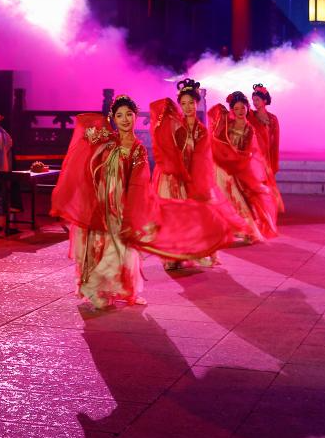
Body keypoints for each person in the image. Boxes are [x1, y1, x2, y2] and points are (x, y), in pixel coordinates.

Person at [53, 94, 224, 308]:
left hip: (123, 205)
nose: (125, 119)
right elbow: (86, 143)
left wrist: (131, 210)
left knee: (119, 247)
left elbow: (138, 183)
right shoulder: (107, 141)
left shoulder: (138, 149)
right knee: (99, 244)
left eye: (129, 114)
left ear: (135, 116)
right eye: (119, 115)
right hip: (101, 203)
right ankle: (96, 289)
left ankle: (105, 287)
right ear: (113, 118)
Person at [151, 79, 243, 271]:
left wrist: (195, 180)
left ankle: (186, 253)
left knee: (190, 217)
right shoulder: (176, 125)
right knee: (171, 217)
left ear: (197, 103)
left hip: (192, 177)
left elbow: (202, 159)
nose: (187, 107)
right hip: (172, 178)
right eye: (183, 103)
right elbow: (165, 148)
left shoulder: (201, 130)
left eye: (191, 103)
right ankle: (171, 257)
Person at [210, 91, 279, 242]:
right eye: (236, 108)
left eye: (243, 108)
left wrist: (237, 159)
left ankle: (245, 229)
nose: (240, 111)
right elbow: (218, 140)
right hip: (226, 165)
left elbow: (248, 150)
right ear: (232, 110)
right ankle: (227, 227)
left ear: (247, 108)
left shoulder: (249, 129)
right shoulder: (228, 125)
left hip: (240, 166)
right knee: (224, 194)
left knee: (241, 197)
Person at [250, 83, 281, 177]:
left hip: (266, 157)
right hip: (253, 157)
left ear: (265, 100)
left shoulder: (272, 119)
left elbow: (275, 143)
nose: (255, 102)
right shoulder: (250, 116)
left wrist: (273, 164)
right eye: (253, 100)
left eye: (257, 100)